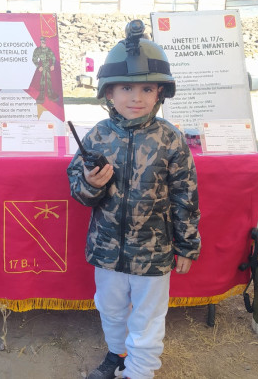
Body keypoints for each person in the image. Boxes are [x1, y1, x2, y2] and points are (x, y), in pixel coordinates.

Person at [67, 20, 201, 379]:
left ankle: (139, 372)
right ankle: (117, 353)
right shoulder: (97, 136)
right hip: (107, 249)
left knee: (147, 318)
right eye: (126, 88)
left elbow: (185, 195)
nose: (136, 97)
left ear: (160, 92)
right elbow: (77, 189)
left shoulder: (171, 140)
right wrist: (92, 184)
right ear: (109, 93)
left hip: (152, 251)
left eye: (146, 88)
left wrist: (187, 246)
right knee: (109, 308)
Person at [32, 36, 58, 103]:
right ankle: (41, 96)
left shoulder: (48, 49)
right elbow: (34, 59)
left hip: (48, 66)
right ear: (40, 42)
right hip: (42, 67)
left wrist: (52, 64)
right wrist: (38, 66)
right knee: (42, 81)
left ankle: (50, 95)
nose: (44, 44)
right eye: (42, 42)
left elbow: (53, 57)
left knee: (49, 81)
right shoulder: (37, 50)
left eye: (44, 42)